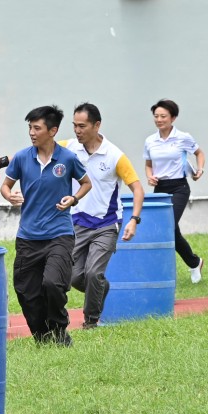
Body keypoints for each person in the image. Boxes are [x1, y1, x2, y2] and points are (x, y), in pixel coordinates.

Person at [0, 105, 92, 346]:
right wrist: (9, 195)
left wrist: (74, 198)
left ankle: (59, 330)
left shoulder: (68, 158)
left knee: (52, 282)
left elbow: (86, 183)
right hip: (28, 235)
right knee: (25, 291)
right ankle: (42, 336)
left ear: (52, 131)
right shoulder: (21, 157)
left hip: (59, 233)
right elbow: (5, 185)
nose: (31, 132)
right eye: (29, 127)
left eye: (36, 128)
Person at [61, 103, 145, 328]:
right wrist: (0, 163)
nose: (77, 131)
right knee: (71, 276)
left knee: (94, 273)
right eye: (74, 126)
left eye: (82, 126)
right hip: (77, 221)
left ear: (97, 125)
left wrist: (134, 220)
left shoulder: (115, 156)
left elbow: (138, 188)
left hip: (106, 224)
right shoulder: (68, 147)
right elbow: (35, 149)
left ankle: (91, 321)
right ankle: (100, 287)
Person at [144, 99, 206, 284]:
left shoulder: (183, 137)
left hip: (179, 187)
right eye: (156, 116)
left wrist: (200, 169)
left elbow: (199, 153)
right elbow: (148, 165)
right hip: (160, 189)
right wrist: (149, 176)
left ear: (173, 118)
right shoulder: (150, 141)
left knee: (166, 227)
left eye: (163, 116)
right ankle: (195, 262)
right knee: (171, 231)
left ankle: (162, 273)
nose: (159, 120)